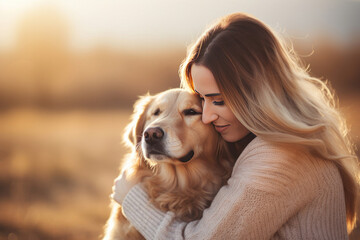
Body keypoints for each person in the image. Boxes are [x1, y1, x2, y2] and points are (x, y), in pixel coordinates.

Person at [112, 12, 359, 239]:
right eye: (202, 99)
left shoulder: (280, 157)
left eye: (217, 101)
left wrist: (133, 200)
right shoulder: (278, 143)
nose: (207, 116)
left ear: (257, 95)